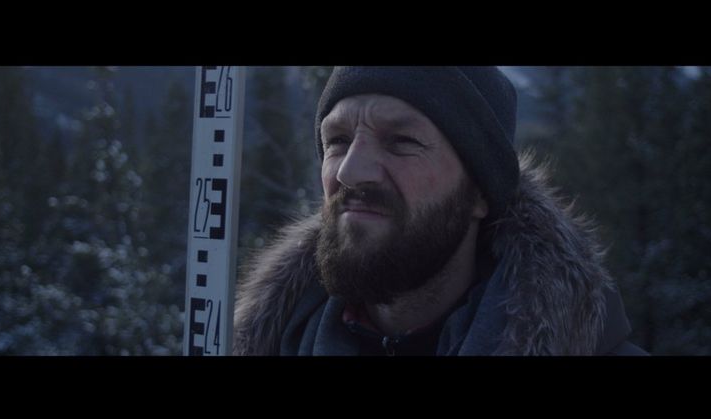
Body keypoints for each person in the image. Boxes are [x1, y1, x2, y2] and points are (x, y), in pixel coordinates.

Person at [232, 66, 647, 355]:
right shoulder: (252, 342)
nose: (350, 172)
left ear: (480, 192)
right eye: (337, 141)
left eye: (401, 141)